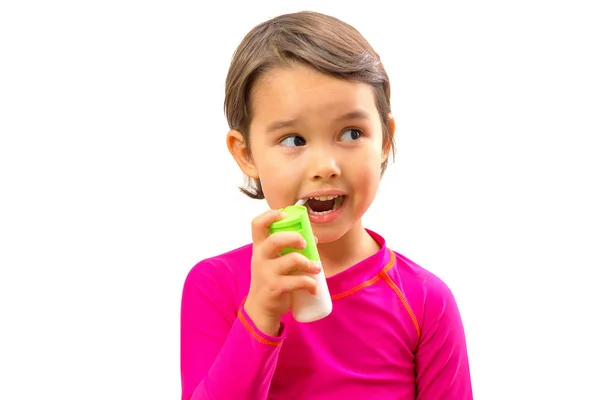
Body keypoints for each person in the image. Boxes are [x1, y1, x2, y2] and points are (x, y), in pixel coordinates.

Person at [180, 10, 473, 400]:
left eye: (351, 133)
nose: (325, 167)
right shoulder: (216, 286)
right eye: (293, 140)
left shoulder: (425, 302)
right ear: (246, 153)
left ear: (384, 141)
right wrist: (261, 314)